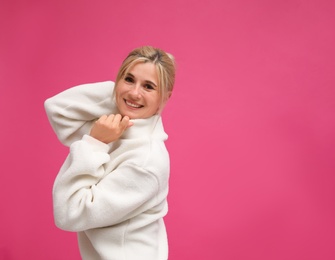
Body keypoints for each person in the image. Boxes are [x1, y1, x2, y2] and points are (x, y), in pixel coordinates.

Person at [44, 46, 176, 260]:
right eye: (129, 79)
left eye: (149, 86)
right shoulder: (116, 128)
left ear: (165, 97)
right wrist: (120, 95)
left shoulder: (145, 161)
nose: (135, 92)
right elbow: (58, 108)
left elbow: (69, 214)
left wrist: (95, 142)